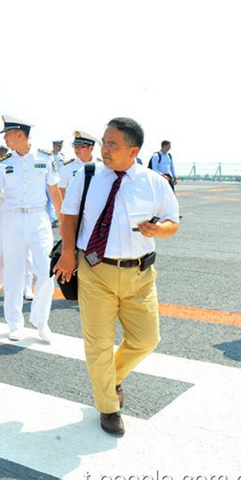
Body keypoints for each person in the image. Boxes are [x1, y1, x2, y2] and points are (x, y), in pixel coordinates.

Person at [53, 118, 179, 436]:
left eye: (113, 145)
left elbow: (172, 222)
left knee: (147, 340)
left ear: (133, 150)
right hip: (96, 271)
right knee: (98, 345)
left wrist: (159, 229)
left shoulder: (154, 182)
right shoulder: (88, 175)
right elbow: (68, 216)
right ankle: (108, 407)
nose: (105, 150)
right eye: (104, 143)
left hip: (140, 274)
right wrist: (68, 253)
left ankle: (113, 376)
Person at [0, 115, 62, 342]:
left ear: (19, 134)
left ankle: (41, 321)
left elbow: (54, 192)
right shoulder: (4, 165)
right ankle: (15, 323)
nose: (5, 138)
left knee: (46, 270)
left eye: (7, 134)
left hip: (38, 219)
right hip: (12, 221)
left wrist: (64, 222)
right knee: (14, 273)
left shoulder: (45, 159)